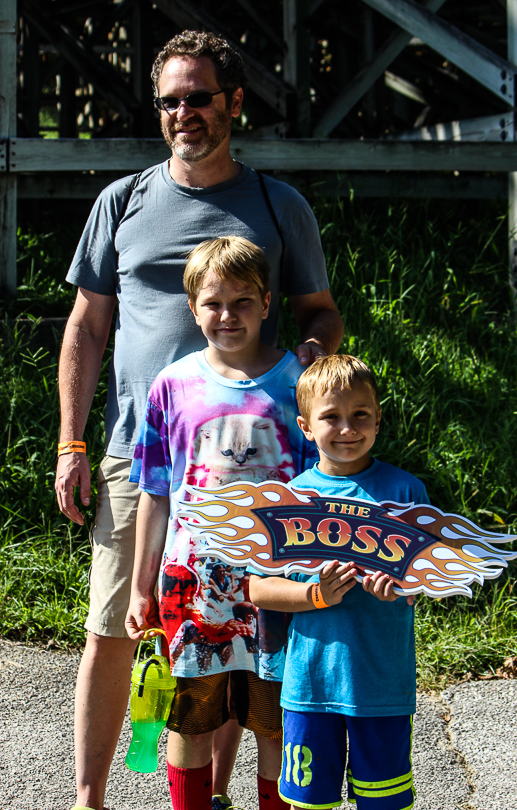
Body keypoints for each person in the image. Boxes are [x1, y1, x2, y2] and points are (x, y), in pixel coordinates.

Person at [54, 29, 343, 810]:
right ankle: (89, 799)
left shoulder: (280, 207)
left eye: (200, 98)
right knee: (117, 625)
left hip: (255, 464)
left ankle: (210, 794)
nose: (186, 112)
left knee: (236, 641)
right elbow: (85, 327)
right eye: (172, 100)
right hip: (142, 457)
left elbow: (319, 312)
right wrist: (71, 441)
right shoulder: (124, 201)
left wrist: (301, 371)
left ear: (233, 104)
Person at [125, 236, 318, 810]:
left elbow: (320, 497)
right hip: (193, 585)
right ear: (193, 308)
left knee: (275, 720)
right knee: (190, 720)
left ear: (266, 302)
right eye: (213, 303)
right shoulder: (172, 385)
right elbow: (155, 495)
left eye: (241, 301)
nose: (227, 315)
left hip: (278, 586)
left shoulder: (297, 384)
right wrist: (141, 585)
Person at [249, 354, 428, 810]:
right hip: (309, 686)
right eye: (331, 417)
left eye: (360, 415)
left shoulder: (407, 493)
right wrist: (314, 594)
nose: (347, 428)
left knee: (384, 803)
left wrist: (404, 590)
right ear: (307, 426)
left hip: (381, 687)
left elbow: (427, 580)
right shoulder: (289, 498)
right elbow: (258, 588)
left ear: (378, 419)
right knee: (310, 804)